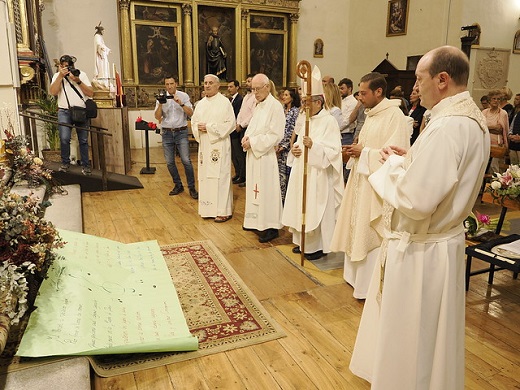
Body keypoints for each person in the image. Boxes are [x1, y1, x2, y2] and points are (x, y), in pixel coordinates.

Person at [349, 46, 490, 389]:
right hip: (440, 243)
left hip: (421, 251)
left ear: (442, 80)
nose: (416, 86)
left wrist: (388, 167)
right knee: (430, 337)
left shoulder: (449, 126)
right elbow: (442, 178)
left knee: (411, 337)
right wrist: (408, 158)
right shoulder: (467, 119)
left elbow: (416, 199)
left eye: (420, 78)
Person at [330, 72, 411, 299]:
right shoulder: (372, 114)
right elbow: (370, 146)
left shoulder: (394, 115)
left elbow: (396, 156)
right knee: (356, 227)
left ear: (378, 92)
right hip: (361, 181)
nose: (360, 98)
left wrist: (363, 152)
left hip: (375, 188)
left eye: (363, 93)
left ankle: (368, 286)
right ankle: (355, 279)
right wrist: (356, 150)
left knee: (370, 230)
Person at [282, 66, 343, 261]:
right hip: (302, 170)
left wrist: (314, 146)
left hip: (318, 174)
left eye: (307, 102)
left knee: (315, 207)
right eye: (303, 102)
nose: (304, 106)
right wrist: (296, 149)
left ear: (318, 102)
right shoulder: (304, 118)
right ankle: (302, 242)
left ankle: (316, 246)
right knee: (299, 204)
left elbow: (334, 153)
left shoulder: (329, 121)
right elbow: (299, 142)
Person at [242, 74, 286, 243]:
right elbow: (253, 127)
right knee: (254, 189)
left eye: (257, 89)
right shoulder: (259, 105)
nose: (255, 93)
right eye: (252, 89)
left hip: (265, 156)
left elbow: (276, 135)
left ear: (267, 87)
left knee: (267, 191)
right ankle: (254, 220)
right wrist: (246, 138)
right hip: (254, 154)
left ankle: (271, 226)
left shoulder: (275, 106)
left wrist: (252, 142)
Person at [191, 74, 235, 222]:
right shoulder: (200, 104)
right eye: (205, 83)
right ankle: (207, 209)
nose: (207, 85)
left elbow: (231, 124)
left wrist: (209, 127)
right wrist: (198, 128)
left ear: (217, 85)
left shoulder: (224, 103)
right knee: (205, 177)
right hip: (204, 145)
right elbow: (194, 122)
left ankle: (223, 211)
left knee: (221, 177)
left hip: (219, 145)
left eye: (210, 83)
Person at [154, 75, 198, 199]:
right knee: (169, 162)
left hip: (181, 132)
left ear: (176, 84)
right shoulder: (161, 97)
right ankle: (178, 185)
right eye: (167, 84)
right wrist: (161, 104)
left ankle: (192, 187)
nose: (169, 86)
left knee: (186, 160)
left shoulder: (184, 96)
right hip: (167, 133)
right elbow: (157, 117)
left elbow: (191, 113)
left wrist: (181, 103)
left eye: (171, 84)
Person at [49, 54, 94, 175]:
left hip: (81, 110)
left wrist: (78, 80)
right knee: (64, 139)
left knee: (83, 140)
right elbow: (53, 92)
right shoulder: (57, 76)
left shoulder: (81, 75)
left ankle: (86, 165)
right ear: (60, 66)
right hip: (64, 111)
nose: (66, 69)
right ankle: (65, 163)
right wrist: (60, 76)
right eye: (63, 67)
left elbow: (90, 93)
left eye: (68, 67)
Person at [277, 88, 301, 204]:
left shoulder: (296, 112)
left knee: (287, 175)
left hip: (287, 148)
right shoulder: (281, 110)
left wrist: (284, 145)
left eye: (286, 95)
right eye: (283, 94)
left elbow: (292, 130)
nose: (284, 97)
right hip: (277, 146)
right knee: (279, 176)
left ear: (292, 97)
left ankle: (288, 202)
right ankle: (279, 201)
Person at [235, 73, 256, 188]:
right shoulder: (246, 96)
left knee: (245, 154)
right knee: (240, 155)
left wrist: (242, 125)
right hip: (241, 126)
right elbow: (242, 112)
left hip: (247, 127)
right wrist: (238, 122)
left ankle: (248, 178)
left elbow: (252, 114)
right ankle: (242, 175)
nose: (247, 83)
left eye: (249, 81)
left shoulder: (255, 97)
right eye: (247, 81)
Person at [482, 89, 509, 173]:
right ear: (489, 100)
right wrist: (493, 127)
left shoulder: (503, 113)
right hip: (484, 141)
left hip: (497, 143)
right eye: (494, 98)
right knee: (483, 164)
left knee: (493, 167)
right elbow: (481, 126)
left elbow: (501, 128)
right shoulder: (484, 112)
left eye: (498, 99)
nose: (496, 101)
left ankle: (494, 184)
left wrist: (488, 127)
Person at [227, 79, 245, 184]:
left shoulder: (239, 99)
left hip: (236, 130)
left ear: (237, 87)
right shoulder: (230, 100)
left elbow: (238, 114)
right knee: (233, 155)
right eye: (228, 87)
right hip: (231, 131)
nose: (229, 89)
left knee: (239, 155)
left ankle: (242, 175)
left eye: (231, 87)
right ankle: (237, 173)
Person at [93, 23, 111, 88]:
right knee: (101, 67)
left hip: (103, 54)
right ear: (100, 30)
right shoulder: (97, 36)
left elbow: (103, 45)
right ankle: (102, 79)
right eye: (103, 31)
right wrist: (101, 48)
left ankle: (105, 80)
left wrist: (108, 49)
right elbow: (98, 43)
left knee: (104, 66)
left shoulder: (100, 37)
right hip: (100, 54)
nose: (103, 32)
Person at [507, 93, 520, 164]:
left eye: (517, 99)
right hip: (513, 144)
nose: (515, 101)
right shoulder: (516, 113)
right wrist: (510, 135)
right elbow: (511, 126)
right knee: (513, 166)